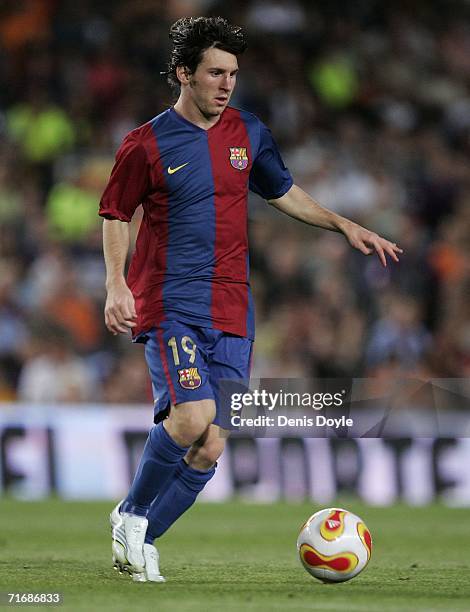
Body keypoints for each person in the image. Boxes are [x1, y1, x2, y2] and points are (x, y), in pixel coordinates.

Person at [99, 16, 402, 583]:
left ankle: (137, 537)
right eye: (215, 72)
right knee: (193, 416)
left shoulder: (249, 132)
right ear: (183, 73)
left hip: (234, 308)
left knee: (212, 445)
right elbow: (116, 212)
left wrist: (342, 224)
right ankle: (134, 513)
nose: (226, 83)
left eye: (233, 73)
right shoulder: (145, 143)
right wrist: (117, 284)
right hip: (171, 301)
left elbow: (283, 191)